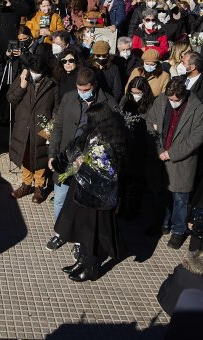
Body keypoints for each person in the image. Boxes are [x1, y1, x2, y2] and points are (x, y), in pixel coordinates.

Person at [51, 103, 128, 282]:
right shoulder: (93, 133)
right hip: (82, 190)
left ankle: (92, 267)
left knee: (94, 233)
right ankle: (81, 261)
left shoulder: (110, 140)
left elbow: (107, 171)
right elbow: (75, 149)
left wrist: (82, 165)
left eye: (91, 119)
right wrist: (65, 163)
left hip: (98, 197)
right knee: (83, 229)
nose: (87, 121)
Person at [46, 67, 118, 252]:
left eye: (86, 90)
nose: (82, 92)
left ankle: (80, 241)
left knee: (82, 205)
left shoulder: (108, 103)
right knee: (60, 199)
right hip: (66, 159)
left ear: (94, 86)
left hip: (90, 165)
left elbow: (114, 136)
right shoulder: (69, 97)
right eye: (79, 89)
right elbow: (58, 127)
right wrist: (53, 154)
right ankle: (60, 233)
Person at [145, 78, 203, 249]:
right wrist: (159, 150)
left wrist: (171, 153)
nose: (172, 103)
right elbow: (150, 123)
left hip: (181, 161)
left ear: (183, 96)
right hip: (160, 158)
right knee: (160, 195)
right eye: (170, 99)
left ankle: (178, 231)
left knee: (180, 199)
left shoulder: (197, 108)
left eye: (175, 100)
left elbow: (196, 138)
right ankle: (162, 224)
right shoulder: (162, 100)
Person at [7, 54, 59, 203]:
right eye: (33, 71)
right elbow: (11, 98)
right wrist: (22, 86)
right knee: (25, 154)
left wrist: (53, 123)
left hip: (44, 125)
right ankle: (26, 184)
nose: (35, 74)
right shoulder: (23, 77)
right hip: (24, 125)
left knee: (40, 155)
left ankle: (39, 186)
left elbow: (57, 106)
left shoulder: (52, 83)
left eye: (38, 72)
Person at [118, 76, 155, 218]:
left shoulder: (151, 103)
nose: (135, 95)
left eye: (138, 92)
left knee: (136, 181)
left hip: (141, 147)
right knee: (123, 179)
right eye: (133, 92)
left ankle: (133, 210)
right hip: (125, 145)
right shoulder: (126, 99)